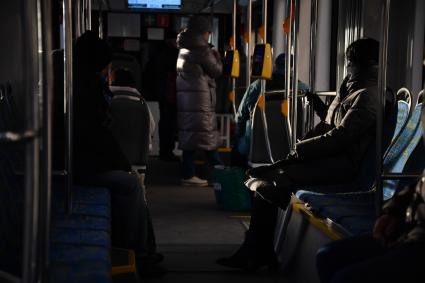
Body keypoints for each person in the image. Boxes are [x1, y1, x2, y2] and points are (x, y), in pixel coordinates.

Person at [216, 38, 380, 270]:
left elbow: (341, 137)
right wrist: (302, 147)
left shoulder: (367, 96)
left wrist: (301, 150)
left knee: (269, 182)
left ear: (365, 64)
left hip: (342, 166)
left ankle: (256, 253)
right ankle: (257, 251)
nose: (348, 66)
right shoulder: (351, 89)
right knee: (264, 178)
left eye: (352, 61)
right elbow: (329, 124)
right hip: (330, 159)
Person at [73, 31, 163, 275]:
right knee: (132, 184)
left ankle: (141, 249)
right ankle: (139, 251)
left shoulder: (77, 84)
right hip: (80, 167)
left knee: (128, 182)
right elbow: (98, 138)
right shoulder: (89, 90)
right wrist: (123, 164)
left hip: (79, 162)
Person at [316, 102, 425, 283]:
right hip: (411, 228)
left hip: (418, 240)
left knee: (344, 279)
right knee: (326, 256)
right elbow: (421, 183)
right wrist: (394, 211)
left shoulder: (367, 99)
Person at [233, 53, 309, 166]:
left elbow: (241, 116)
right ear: (293, 68)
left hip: (257, 146)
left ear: (274, 66)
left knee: (238, 149)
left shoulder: (258, 86)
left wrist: (238, 136)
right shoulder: (302, 89)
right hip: (290, 146)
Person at [176, 15, 223, 186]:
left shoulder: (184, 47)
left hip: (188, 100)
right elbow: (216, 71)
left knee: (192, 137)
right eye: (208, 33)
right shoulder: (202, 49)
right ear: (204, 32)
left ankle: (189, 173)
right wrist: (217, 57)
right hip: (200, 101)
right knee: (208, 138)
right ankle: (221, 174)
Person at [109, 68, 156, 151]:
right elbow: (151, 126)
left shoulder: (107, 99)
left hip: (111, 150)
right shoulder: (140, 101)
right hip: (136, 152)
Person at [153, 31, 180, 162]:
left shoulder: (160, 53)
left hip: (163, 94)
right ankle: (167, 151)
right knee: (169, 124)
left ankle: (164, 151)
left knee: (165, 123)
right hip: (170, 95)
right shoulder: (173, 54)